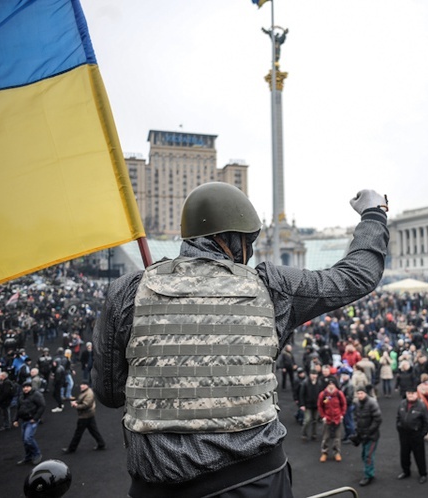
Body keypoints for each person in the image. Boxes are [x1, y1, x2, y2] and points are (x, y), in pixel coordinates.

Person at [92, 184, 389, 496]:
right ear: (232, 240)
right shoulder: (273, 287)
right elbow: (355, 277)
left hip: (158, 486)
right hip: (256, 481)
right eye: (249, 242)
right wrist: (373, 215)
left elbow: (110, 394)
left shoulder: (129, 290)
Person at [396, 386, 428, 484]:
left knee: (419, 456)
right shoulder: (402, 404)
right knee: (404, 455)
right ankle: (406, 471)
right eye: (408, 393)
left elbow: (427, 421)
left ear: (416, 394)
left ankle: (423, 474)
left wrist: (422, 434)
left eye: (412, 393)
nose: (410, 396)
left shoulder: (422, 406)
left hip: (416, 435)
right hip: (404, 434)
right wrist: (399, 427)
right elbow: (398, 417)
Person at [62, 380, 106, 454]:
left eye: (83, 385)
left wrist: (76, 405)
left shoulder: (88, 394)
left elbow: (86, 405)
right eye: (81, 384)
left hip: (85, 416)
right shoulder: (87, 392)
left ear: (87, 385)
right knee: (93, 430)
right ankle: (101, 444)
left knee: (78, 433)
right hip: (89, 415)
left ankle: (71, 449)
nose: (81, 386)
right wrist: (77, 402)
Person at [352, 385, 382, 487]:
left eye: (361, 393)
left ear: (365, 393)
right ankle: (370, 472)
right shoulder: (357, 403)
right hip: (362, 434)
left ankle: (368, 475)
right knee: (364, 455)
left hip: (372, 435)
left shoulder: (372, 403)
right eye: (358, 393)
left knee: (368, 456)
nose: (360, 395)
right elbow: (356, 417)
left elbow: (378, 419)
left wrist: (369, 432)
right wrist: (357, 430)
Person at [13, 379, 45, 465]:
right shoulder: (21, 396)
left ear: (31, 387)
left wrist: (35, 418)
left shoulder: (36, 395)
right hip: (24, 420)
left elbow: (42, 406)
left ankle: (37, 454)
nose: (25, 389)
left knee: (28, 438)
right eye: (24, 387)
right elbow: (18, 408)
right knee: (25, 440)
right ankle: (28, 457)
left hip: (32, 420)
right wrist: (15, 419)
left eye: (27, 387)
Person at [317, 377, 347, 462]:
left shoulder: (339, 394)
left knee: (337, 438)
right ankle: (324, 452)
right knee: (326, 437)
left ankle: (336, 452)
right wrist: (323, 416)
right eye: (329, 384)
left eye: (332, 384)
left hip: (337, 418)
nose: (331, 386)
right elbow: (320, 406)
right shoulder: (323, 394)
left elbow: (344, 404)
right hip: (328, 419)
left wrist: (342, 415)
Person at [300, 370, 323, 442]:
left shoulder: (319, 383)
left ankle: (314, 434)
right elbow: (301, 394)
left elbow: (321, 394)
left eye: (315, 374)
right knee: (307, 420)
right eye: (312, 374)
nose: (314, 376)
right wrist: (302, 404)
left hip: (316, 405)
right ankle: (304, 434)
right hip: (308, 405)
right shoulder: (305, 383)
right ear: (310, 375)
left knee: (315, 420)